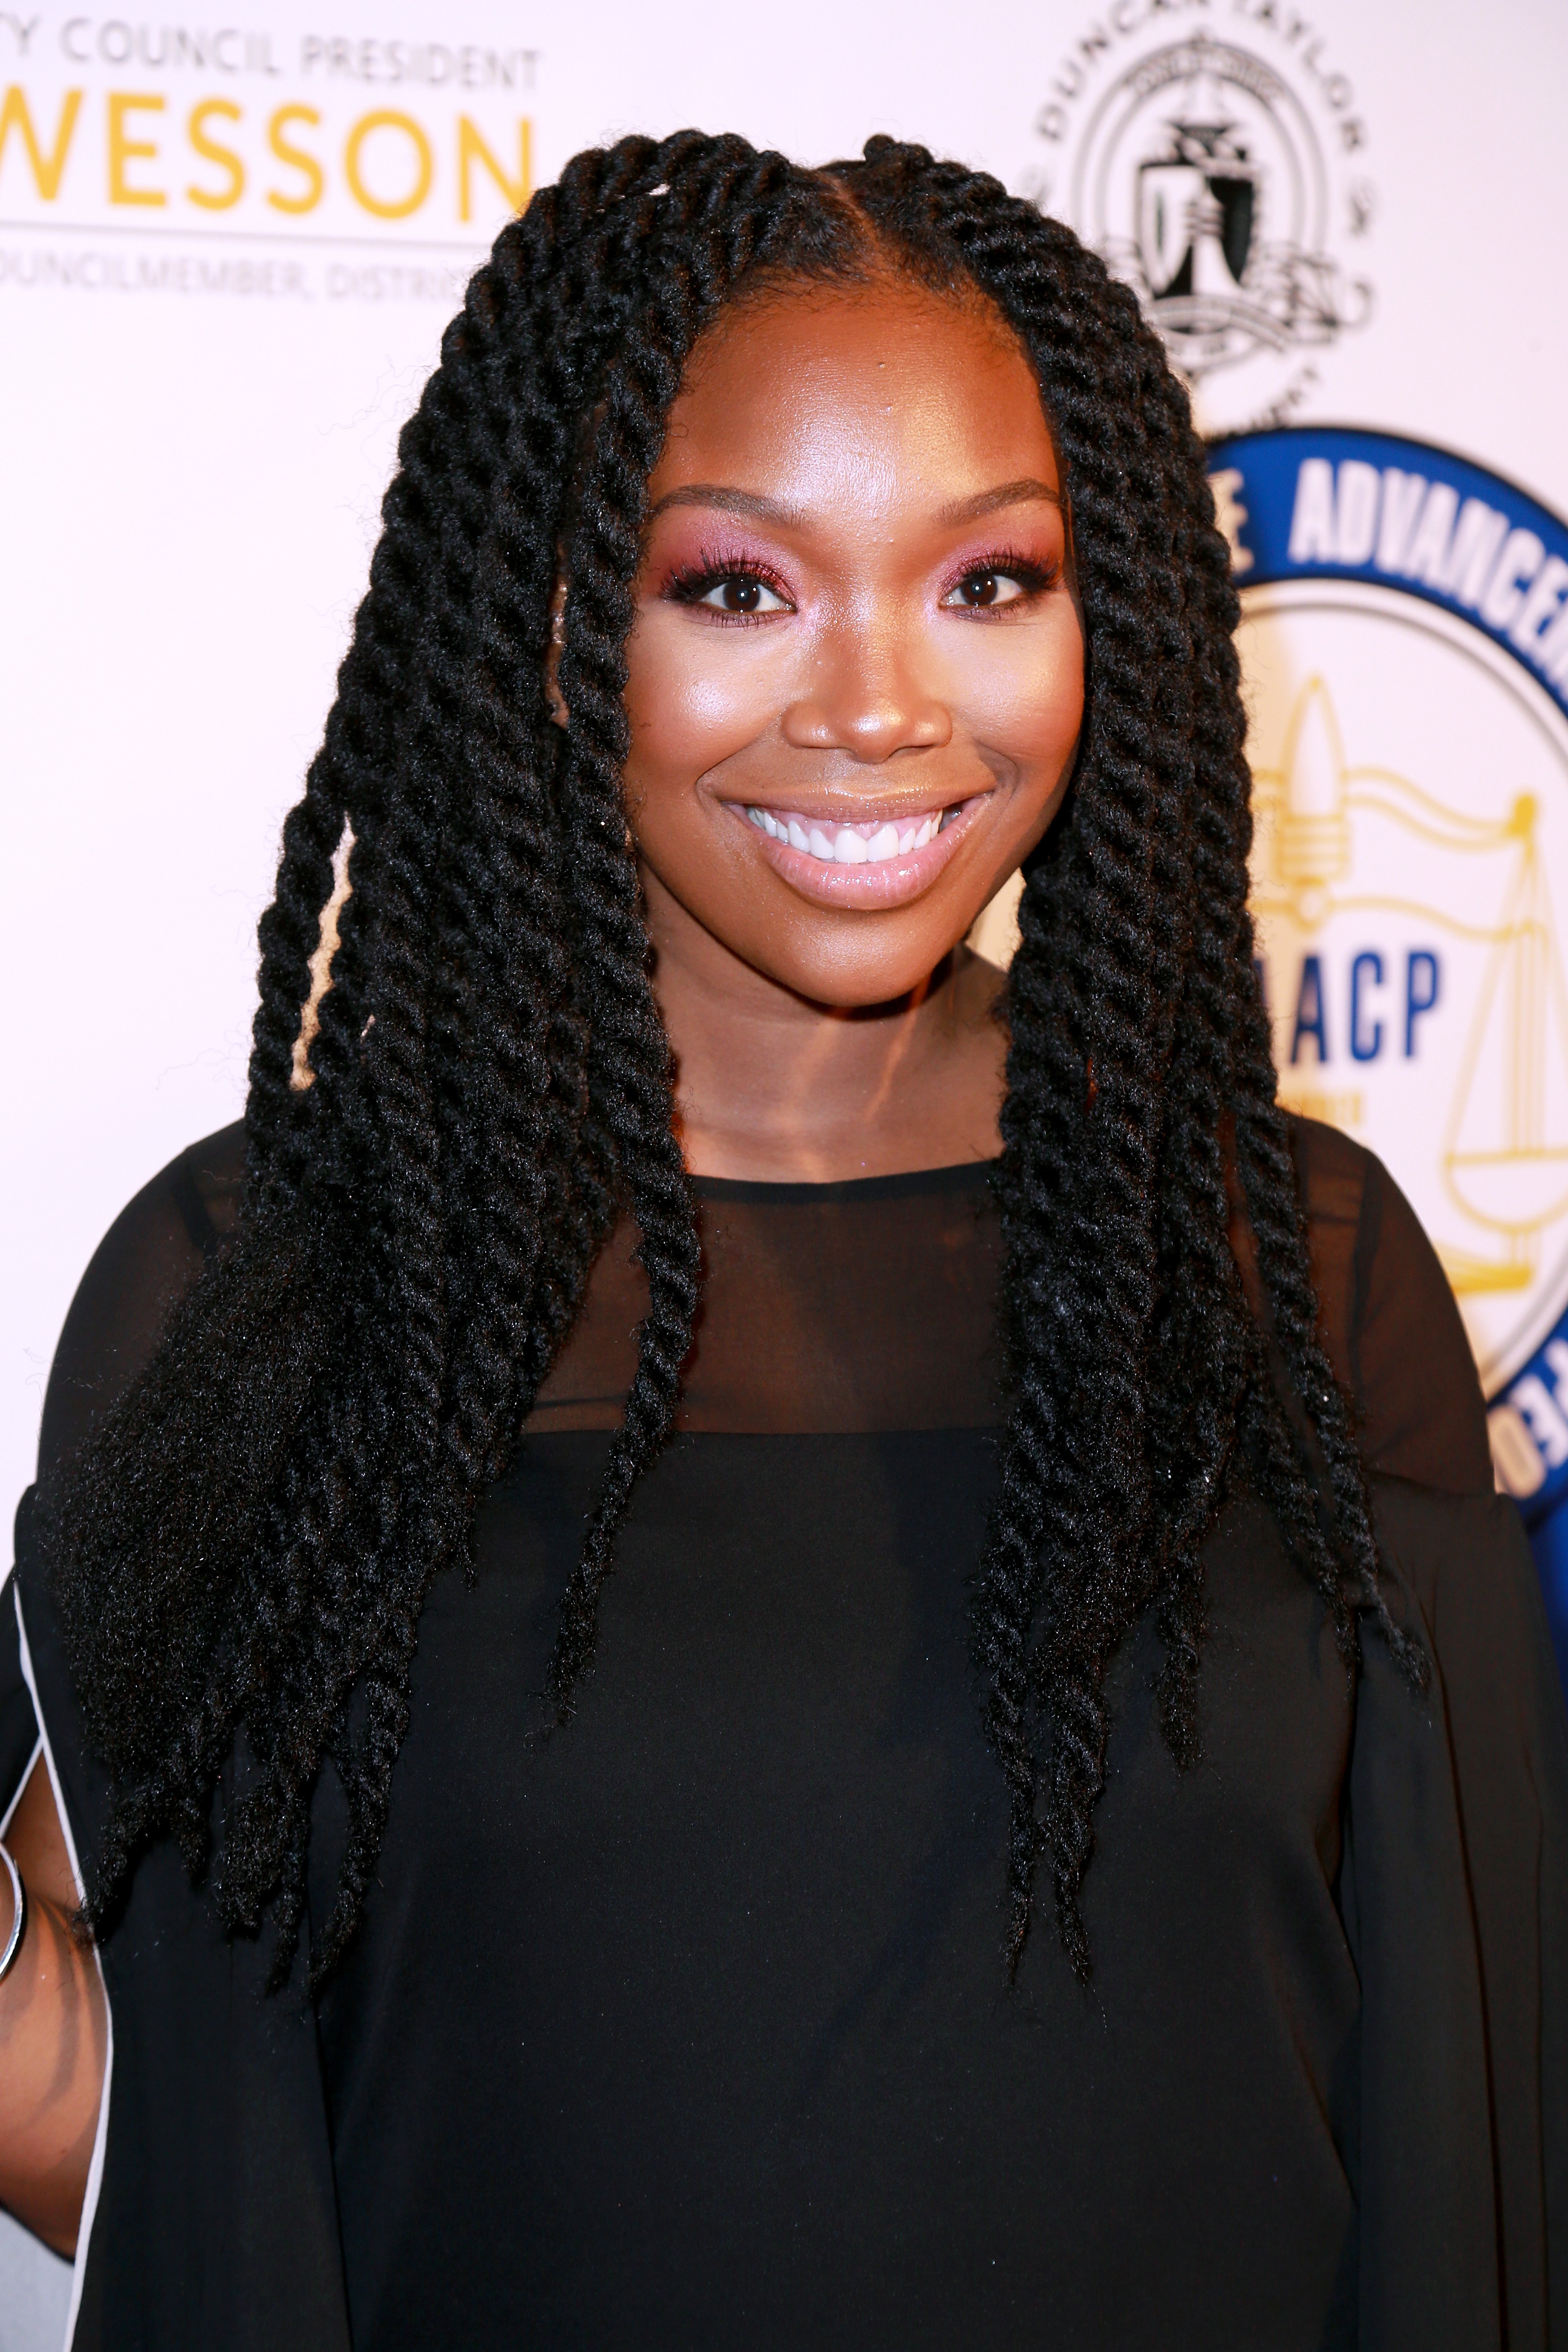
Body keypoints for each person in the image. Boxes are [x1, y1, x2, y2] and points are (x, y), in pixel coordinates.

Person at [2, 130, 1565, 2352]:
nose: (879, 709)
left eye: (992, 583)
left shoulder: (1292, 1269)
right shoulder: (279, 1289)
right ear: (559, 622)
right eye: (738, 587)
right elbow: (169, 2138)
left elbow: (1459, 2133)